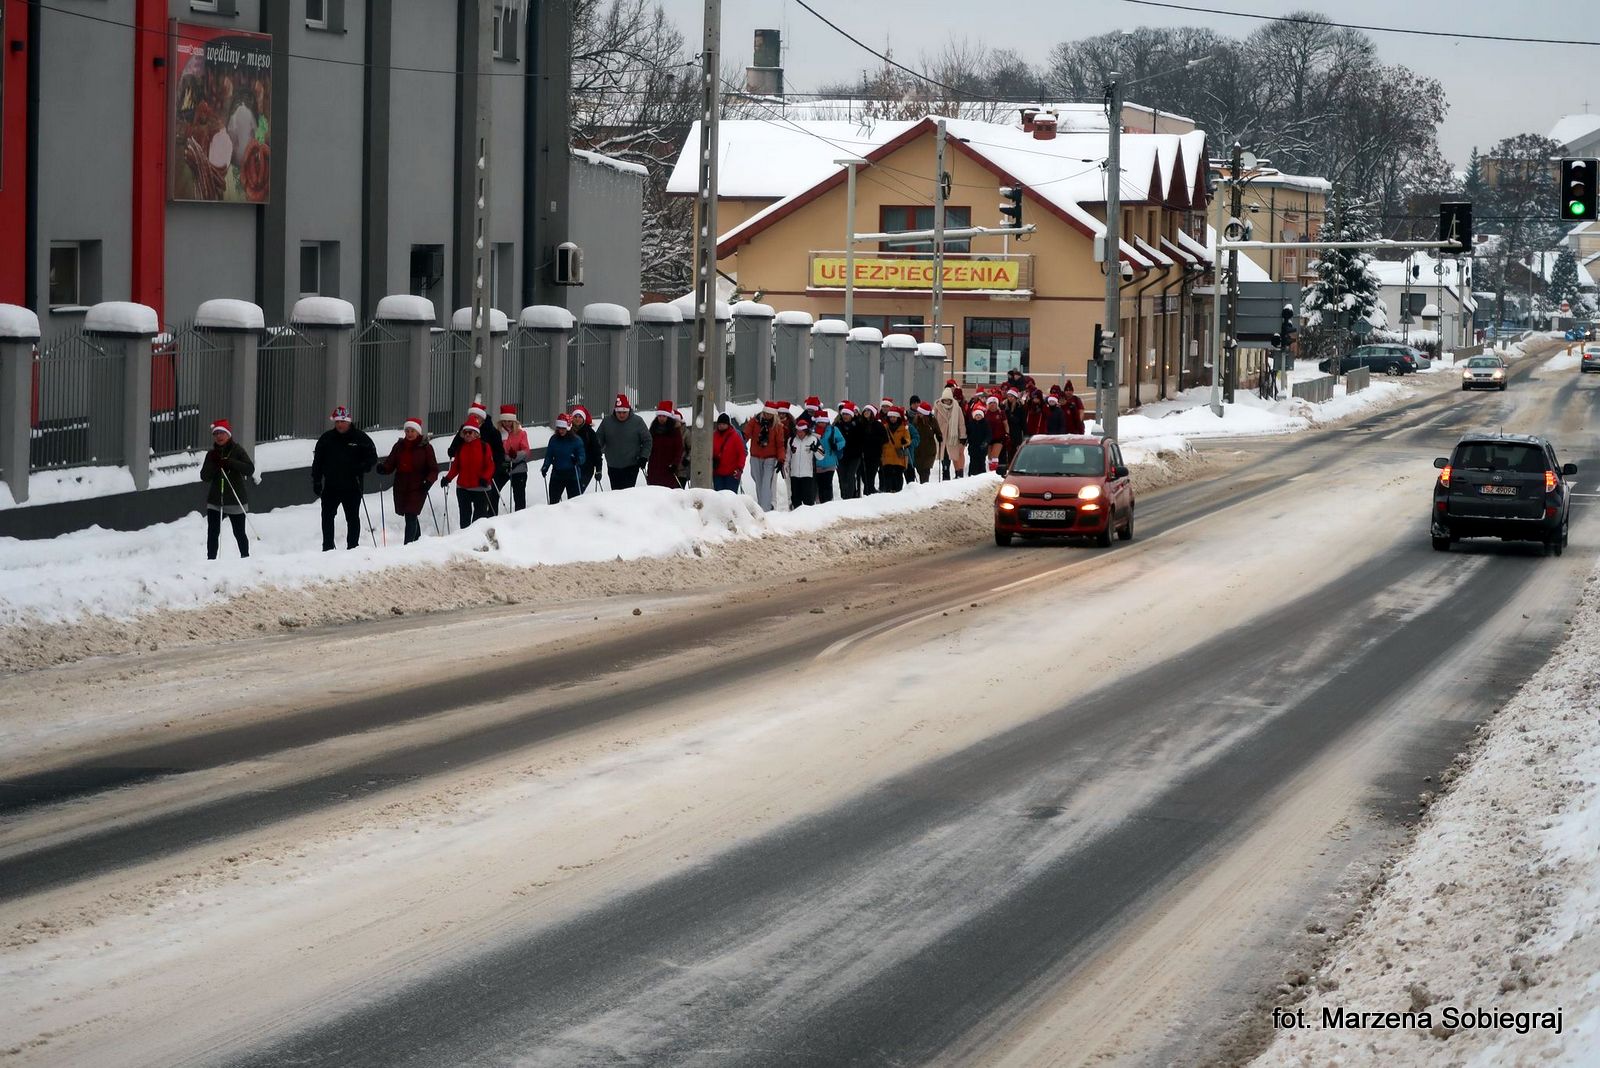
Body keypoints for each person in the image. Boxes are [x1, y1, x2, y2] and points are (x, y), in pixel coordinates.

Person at [312, 404, 377, 551]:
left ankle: (353, 547)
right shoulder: (326, 439)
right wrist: (316, 480)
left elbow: (372, 457)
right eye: (337, 422)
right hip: (331, 485)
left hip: (352, 485)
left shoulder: (360, 438)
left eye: (343, 422)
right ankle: (327, 546)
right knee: (327, 516)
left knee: (352, 517)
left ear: (349, 422)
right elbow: (318, 462)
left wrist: (362, 467)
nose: (340, 425)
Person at [376, 417, 439, 543]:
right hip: (401, 485)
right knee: (410, 514)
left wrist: (429, 481)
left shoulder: (426, 447)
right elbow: (391, 463)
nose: (409, 434)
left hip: (419, 485)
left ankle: (408, 545)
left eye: (412, 431)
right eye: (407, 431)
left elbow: (433, 469)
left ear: (418, 432)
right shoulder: (399, 446)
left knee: (411, 514)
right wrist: (383, 468)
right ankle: (418, 541)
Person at [200, 418, 253, 560]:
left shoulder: (237, 450)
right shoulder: (211, 454)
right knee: (213, 532)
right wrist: (215, 463)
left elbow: (249, 469)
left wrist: (230, 462)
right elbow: (204, 476)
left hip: (235, 499)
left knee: (239, 532)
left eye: (221, 433)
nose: (219, 436)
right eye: (216, 433)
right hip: (216, 501)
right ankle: (211, 560)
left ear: (228, 434)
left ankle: (245, 558)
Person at [448, 402, 506, 513]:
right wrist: (452, 450)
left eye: (476, 417)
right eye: (471, 417)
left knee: (490, 501)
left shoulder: (492, 431)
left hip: (487, 471)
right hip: (467, 476)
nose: (473, 419)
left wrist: (494, 470)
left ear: (482, 418)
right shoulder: (465, 429)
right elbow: (457, 443)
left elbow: (499, 452)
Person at [441, 418, 497, 526]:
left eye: (470, 432)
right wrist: (448, 478)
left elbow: (490, 466)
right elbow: (456, 466)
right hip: (463, 488)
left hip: (480, 487)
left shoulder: (484, 447)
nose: (467, 435)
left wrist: (485, 478)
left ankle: (478, 540)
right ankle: (464, 541)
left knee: (479, 519)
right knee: (464, 519)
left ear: (476, 434)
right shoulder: (461, 448)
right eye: (465, 432)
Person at [596, 394, 652, 489]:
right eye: (619, 412)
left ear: (629, 410)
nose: (621, 415)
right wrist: (596, 453)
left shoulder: (637, 421)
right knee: (616, 492)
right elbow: (598, 440)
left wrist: (644, 456)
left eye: (624, 412)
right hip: (613, 465)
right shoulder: (607, 422)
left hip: (631, 465)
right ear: (615, 411)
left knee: (627, 492)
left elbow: (647, 440)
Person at [743, 399, 788, 511]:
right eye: (766, 413)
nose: (768, 415)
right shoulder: (754, 421)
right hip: (755, 457)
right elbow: (746, 435)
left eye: (770, 414)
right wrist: (740, 443)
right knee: (758, 481)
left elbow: (780, 444)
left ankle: (765, 508)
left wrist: (781, 459)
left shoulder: (777, 426)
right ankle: (761, 505)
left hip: (770, 458)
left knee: (766, 483)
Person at [542, 414, 587, 503]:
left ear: (568, 428)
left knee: (574, 502)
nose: (561, 431)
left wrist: (578, 460)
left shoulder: (576, 440)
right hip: (557, 474)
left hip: (572, 475)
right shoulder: (554, 439)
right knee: (553, 501)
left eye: (563, 428)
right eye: (559, 428)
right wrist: (545, 466)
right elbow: (549, 455)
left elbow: (582, 456)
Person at [496, 405, 531, 511]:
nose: (507, 423)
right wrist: (505, 457)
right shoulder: (498, 434)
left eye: (509, 421)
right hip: (503, 466)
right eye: (504, 421)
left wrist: (515, 455)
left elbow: (526, 451)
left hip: (518, 466)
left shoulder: (521, 433)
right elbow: (496, 451)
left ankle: (520, 516)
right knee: (494, 490)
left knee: (519, 495)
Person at [646, 400, 685, 488]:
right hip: (654, 467)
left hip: (668, 469)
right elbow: (648, 445)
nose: (661, 418)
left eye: (664, 416)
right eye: (659, 416)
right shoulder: (653, 430)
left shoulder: (675, 431)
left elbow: (679, 449)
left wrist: (675, 464)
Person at [787, 417, 821, 508]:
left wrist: (816, 449)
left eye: (801, 431)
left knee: (808, 501)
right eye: (798, 431)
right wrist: (785, 466)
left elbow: (821, 456)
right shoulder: (792, 440)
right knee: (796, 500)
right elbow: (788, 456)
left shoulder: (813, 439)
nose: (799, 433)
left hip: (808, 475)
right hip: (794, 475)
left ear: (806, 431)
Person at [568, 405, 604, 492]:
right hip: (569, 468)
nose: (577, 419)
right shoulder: (568, 431)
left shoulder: (589, 432)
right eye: (575, 416)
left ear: (583, 418)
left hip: (586, 468)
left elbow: (597, 451)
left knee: (578, 491)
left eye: (580, 417)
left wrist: (598, 469)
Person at [934, 386, 965, 479]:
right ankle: (945, 473)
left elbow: (961, 423)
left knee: (954, 455)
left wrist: (962, 437)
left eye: (948, 400)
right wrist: (935, 433)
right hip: (942, 436)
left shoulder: (957, 408)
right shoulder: (937, 407)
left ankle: (957, 473)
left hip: (953, 437)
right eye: (945, 400)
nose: (946, 402)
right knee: (944, 456)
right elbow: (934, 422)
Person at [857, 404, 887, 495]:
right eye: (865, 411)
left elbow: (885, 439)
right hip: (862, 454)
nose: (866, 413)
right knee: (863, 475)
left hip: (874, 455)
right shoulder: (860, 424)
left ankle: (869, 491)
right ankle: (868, 490)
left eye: (868, 411)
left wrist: (873, 440)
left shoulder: (878, 425)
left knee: (871, 474)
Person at [712, 412, 746, 492]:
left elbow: (741, 454)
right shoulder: (714, 436)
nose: (721, 426)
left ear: (728, 424)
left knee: (730, 497)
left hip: (732, 474)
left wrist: (739, 468)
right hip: (717, 473)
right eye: (720, 424)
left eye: (723, 424)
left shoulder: (735, 436)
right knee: (719, 497)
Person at [834, 403, 861, 500]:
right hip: (841, 455)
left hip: (854, 456)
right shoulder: (837, 425)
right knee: (842, 477)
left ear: (851, 415)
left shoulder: (858, 424)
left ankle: (850, 497)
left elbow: (861, 440)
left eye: (847, 414)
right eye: (844, 414)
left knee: (850, 475)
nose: (845, 416)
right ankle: (844, 496)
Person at [910, 400, 941, 484]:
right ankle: (922, 485)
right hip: (918, 449)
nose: (918, 414)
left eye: (920, 413)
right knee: (920, 469)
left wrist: (939, 436)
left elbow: (938, 431)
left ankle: (925, 485)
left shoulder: (932, 420)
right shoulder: (915, 421)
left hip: (929, 449)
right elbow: (911, 432)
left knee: (926, 470)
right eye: (918, 412)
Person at [815, 411, 839, 503]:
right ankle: (822, 503)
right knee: (820, 484)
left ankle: (828, 502)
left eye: (823, 422)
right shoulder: (813, 431)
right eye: (819, 422)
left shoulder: (833, 429)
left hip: (830, 462)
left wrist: (836, 445)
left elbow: (842, 441)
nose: (821, 424)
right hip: (818, 463)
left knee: (827, 483)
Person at [966, 401, 992, 476]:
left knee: (981, 461)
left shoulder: (985, 424)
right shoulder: (971, 424)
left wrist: (986, 442)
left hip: (982, 447)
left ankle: (981, 475)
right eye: (976, 415)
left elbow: (989, 434)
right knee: (973, 461)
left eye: (979, 415)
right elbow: (967, 433)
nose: (978, 416)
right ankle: (971, 474)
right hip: (973, 446)